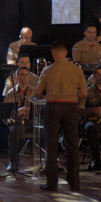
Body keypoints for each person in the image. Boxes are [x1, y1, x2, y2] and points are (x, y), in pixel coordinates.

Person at [34, 41, 87, 191]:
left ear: (53, 54)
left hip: (53, 107)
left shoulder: (48, 70)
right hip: (70, 107)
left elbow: (38, 93)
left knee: (51, 146)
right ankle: (74, 183)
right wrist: (74, 99)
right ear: (66, 52)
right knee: (72, 146)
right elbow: (84, 93)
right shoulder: (77, 70)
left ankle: (52, 184)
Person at [5, 67, 35, 173]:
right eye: (22, 74)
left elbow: (40, 106)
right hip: (18, 121)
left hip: (32, 121)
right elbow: (5, 112)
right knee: (14, 132)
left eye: (27, 75)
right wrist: (17, 111)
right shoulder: (10, 93)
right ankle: (12, 161)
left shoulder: (34, 91)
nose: (25, 77)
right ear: (17, 77)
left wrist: (26, 108)